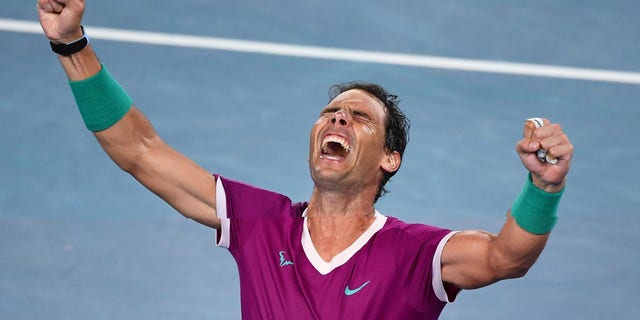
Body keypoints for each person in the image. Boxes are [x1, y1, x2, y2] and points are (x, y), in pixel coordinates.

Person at [37, 1, 574, 319]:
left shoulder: (418, 254)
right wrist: (71, 46)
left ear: (391, 159)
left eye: (360, 118)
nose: (338, 119)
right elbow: (138, 150)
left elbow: (507, 259)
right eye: (331, 112)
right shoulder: (261, 222)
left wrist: (543, 190)